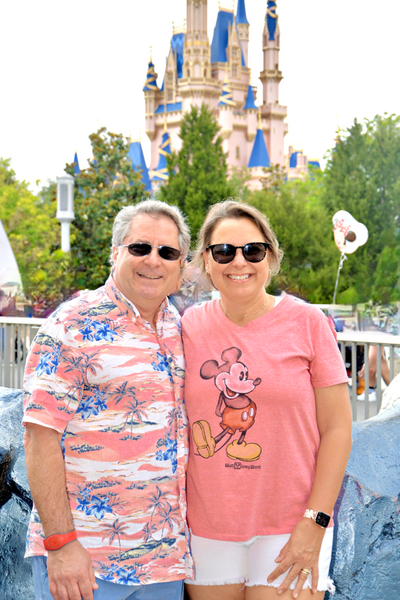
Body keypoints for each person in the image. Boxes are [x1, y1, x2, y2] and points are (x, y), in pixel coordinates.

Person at [181, 200, 352, 600]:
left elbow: (338, 429)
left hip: (291, 526)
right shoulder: (188, 327)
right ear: (206, 261)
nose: (238, 261)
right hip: (208, 528)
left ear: (271, 257)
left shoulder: (308, 322)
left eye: (252, 250)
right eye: (223, 251)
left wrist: (316, 521)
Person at [23, 199, 193, 600]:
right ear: (115, 252)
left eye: (168, 252)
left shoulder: (180, 328)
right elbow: (39, 437)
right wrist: (62, 545)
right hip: (86, 564)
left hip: (162, 564)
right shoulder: (72, 323)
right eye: (140, 248)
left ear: (180, 266)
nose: (154, 260)